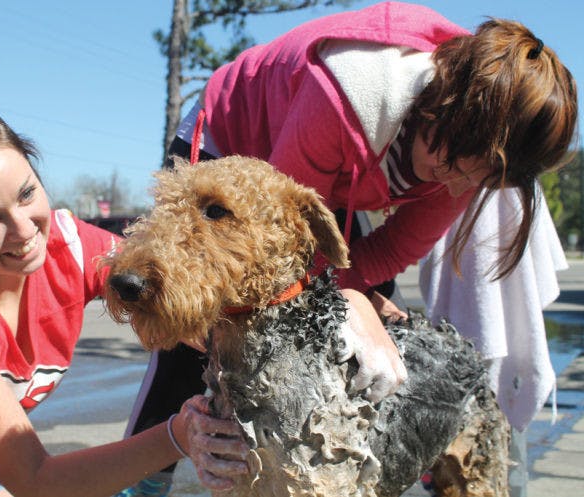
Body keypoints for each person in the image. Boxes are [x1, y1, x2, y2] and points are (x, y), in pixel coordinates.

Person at [114, 2, 578, 495]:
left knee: (369, 332)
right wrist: (346, 300)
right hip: (233, 141)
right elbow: (286, 247)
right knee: (194, 330)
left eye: (484, 175)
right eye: (461, 155)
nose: (458, 180)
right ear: (449, 105)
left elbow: (389, 249)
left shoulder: (465, 169)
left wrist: (360, 300)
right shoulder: (349, 88)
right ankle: (138, 483)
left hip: (333, 175)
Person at [0, 107, 251, 497]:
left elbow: (175, 302)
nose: (25, 230)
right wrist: (178, 435)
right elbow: (37, 481)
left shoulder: (70, 247)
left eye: (26, 193)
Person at [419, 183, 570, 497]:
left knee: (500, 458)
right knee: (473, 463)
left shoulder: (510, 183)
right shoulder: (467, 178)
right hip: (464, 358)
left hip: (479, 359)